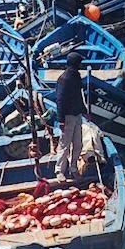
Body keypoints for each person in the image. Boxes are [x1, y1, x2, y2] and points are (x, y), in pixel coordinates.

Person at [53, 52, 88, 181]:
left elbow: (79, 96)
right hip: (67, 117)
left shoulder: (76, 76)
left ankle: (73, 168)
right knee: (65, 144)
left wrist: (84, 111)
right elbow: (60, 100)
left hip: (77, 115)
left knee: (78, 144)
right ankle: (59, 171)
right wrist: (61, 120)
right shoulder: (64, 79)